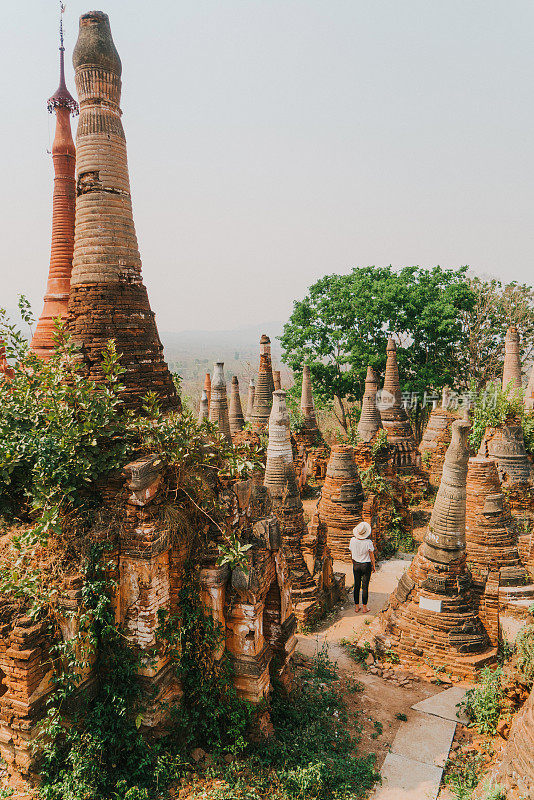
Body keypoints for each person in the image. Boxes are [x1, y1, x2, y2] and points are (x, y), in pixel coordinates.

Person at [349, 521, 376, 613]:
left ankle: (357, 607)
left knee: (356, 586)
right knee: (365, 587)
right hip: (366, 565)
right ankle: (365, 607)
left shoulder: (352, 540)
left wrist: (353, 561)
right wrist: (374, 565)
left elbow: (351, 553)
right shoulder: (368, 542)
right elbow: (371, 555)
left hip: (356, 564)